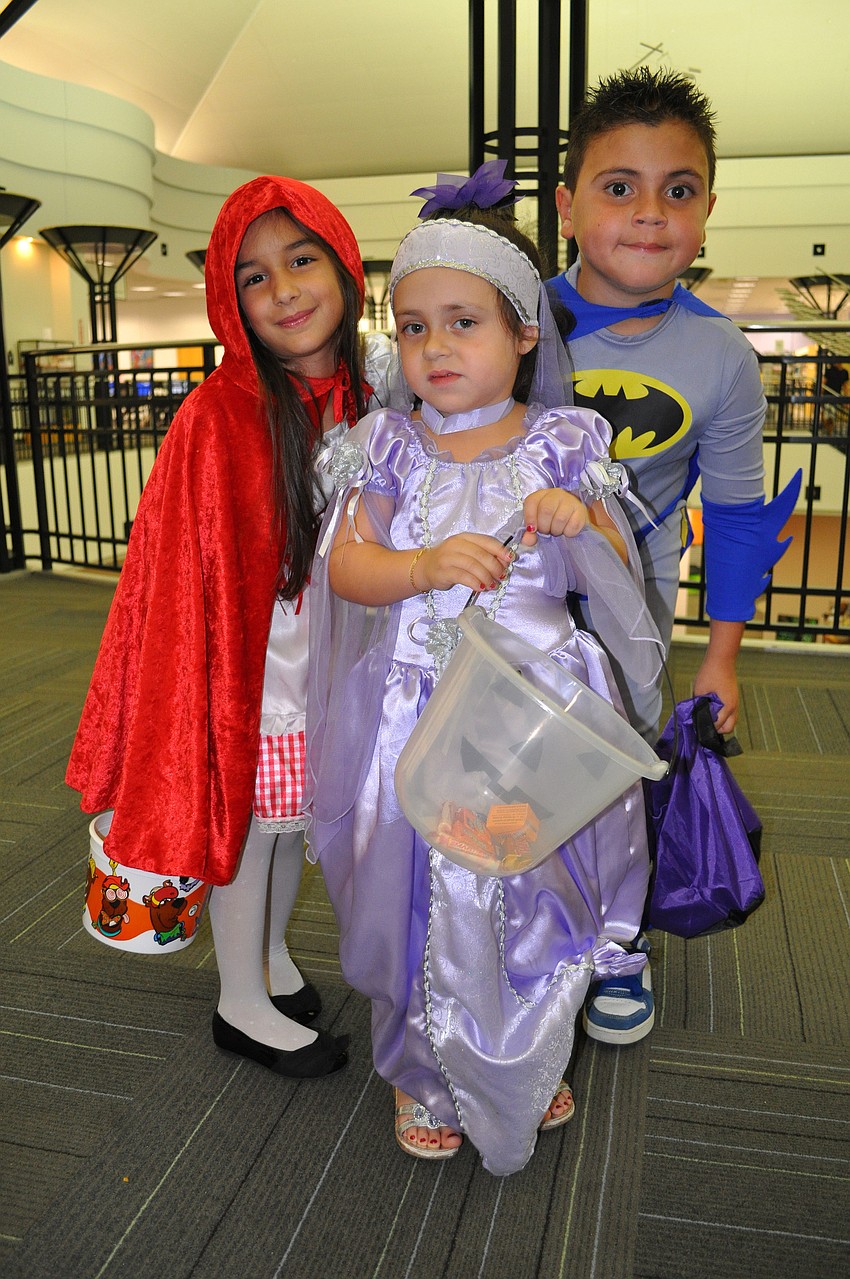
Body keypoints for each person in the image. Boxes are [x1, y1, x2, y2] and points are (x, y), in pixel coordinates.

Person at [305, 163, 663, 1175]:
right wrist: (416, 566)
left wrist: (578, 521)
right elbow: (347, 566)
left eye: (463, 322)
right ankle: (424, 1069)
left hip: (535, 714)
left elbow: (619, 572)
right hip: (416, 713)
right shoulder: (388, 449)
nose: (434, 346)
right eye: (412, 326)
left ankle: (525, 1046)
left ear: (522, 335)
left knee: (535, 888)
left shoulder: (561, 444)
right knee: (417, 898)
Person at [66, 175, 390, 1078]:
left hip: (323, 662)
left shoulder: (366, 396)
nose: (283, 289)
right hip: (256, 674)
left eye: (301, 259)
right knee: (248, 825)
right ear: (229, 298)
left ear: (341, 265)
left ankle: (272, 958)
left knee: (289, 824)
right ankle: (238, 1000)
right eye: (253, 276)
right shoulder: (219, 415)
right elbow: (184, 574)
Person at [548, 67, 800, 1046]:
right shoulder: (509, 315)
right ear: (567, 206)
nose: (649, 213)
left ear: (705, 212)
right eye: (619, 186)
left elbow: (737, 513)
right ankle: (511, 935)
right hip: (496, 611)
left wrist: (722, 653)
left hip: (631, 625)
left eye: (678, 189)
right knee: (503, 783)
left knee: (618, 783)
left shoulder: (720, 355)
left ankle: (618, 941)